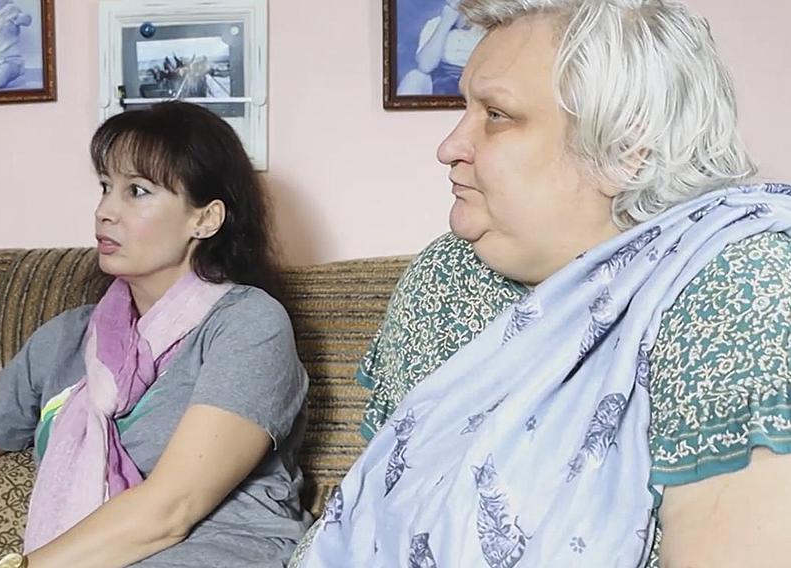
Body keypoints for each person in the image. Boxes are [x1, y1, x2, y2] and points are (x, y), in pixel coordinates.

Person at [293, 0, 791, 566]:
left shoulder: (743, 286)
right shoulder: (450, 274)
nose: (449, 146)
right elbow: (377, 512)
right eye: (464, 109)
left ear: (628, 149)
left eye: (497, 115)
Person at [0, 102, 312, 568]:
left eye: (137, 191)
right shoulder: (65, 340)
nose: (105, 210)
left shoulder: (248, 324)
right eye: (106, 187)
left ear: (205, 219)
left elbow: (170, 511)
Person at [396, 0, 485, 96]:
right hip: (443, 82)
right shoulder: (434, 24)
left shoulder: (488, 26)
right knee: (414, 77)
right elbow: (426, 66)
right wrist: (445, 23)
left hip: (478, 80)